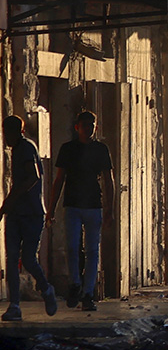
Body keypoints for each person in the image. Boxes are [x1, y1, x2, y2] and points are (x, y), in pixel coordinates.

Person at [46, 110, 114, 312]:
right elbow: (59, 180)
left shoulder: (101, 149)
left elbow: (108, 180)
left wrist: (109, 208)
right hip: (73, 204)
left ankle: (88, 293)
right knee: (72, 247)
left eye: (92, 125)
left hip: (94, 205)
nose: (89, 128)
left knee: (93, 250)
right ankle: (75, 283)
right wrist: (51, 208)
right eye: (85, 125)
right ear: (77, 128)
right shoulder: (68, 149)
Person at [1, 116, 57, 321]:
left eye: (8, 132)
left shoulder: (25, 148)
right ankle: (14, 305)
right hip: (16, 213)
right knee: (12, 258)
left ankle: (46, 288)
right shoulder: (17, 149)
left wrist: (10, 199)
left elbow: (32, 176)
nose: (5, 137)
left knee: (28, 258)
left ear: (17, 131)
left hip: (31, 213)